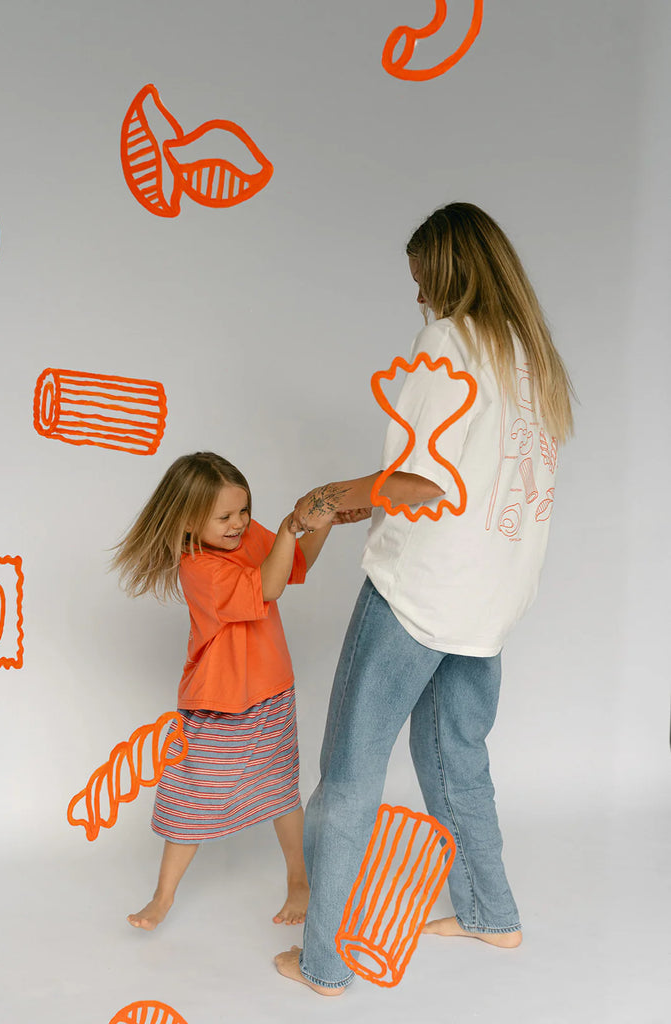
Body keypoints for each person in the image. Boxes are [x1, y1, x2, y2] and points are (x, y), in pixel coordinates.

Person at [275, 202, 573, 994]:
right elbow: (473, 487)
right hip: (489, 602)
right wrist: (360, 496)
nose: (417, 301)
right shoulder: (530, 357)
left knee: (348, 772)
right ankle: (489, 913)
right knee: (456, 759)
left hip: (418, 593)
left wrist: (328, 497)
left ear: (446, 271)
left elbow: (419, 482)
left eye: (421, 282)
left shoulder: (450, 341)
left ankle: (322, 961)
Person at [111, 451, 332, 930]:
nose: (239, 524)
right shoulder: (199, 568)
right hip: (218, 704)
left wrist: (325, 520)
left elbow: (294, 565)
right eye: (225, 516)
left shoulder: (248, 536)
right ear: (189, 520)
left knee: (280, 789)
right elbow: (269, 587)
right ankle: (163, 895)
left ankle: (300, 880)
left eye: (244, 511)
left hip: (272, 691)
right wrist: (292, 528)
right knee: (191, 795)